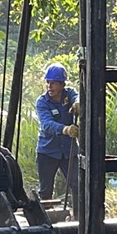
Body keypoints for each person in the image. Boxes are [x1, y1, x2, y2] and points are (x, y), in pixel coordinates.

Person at [35, 62, 80, 204]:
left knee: (78, 186)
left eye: (53, 83)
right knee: (46, 191)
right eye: (48, 83)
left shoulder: (69, 94)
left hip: (68, 152)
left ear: (62, 84)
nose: (49, 86)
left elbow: (77, 97)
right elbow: (47, 124)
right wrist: (65, 129)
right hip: (47, 152)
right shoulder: (42, 102)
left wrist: (78, 103)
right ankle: (45, 222)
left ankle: (79, 219)